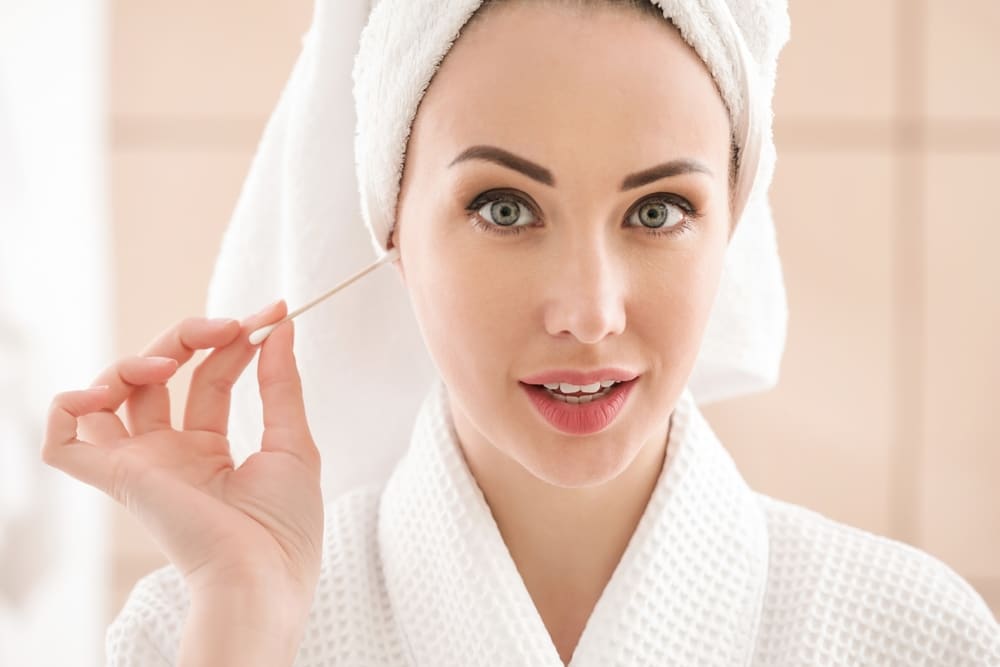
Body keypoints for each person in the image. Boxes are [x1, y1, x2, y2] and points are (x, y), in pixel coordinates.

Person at [42, 1, 1000, 666]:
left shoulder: (911, 635)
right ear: (390, 229)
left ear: (732, 227)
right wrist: (244, 625)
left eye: (659, 210)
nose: (589, 311)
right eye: (505, 208)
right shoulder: (204, 626)